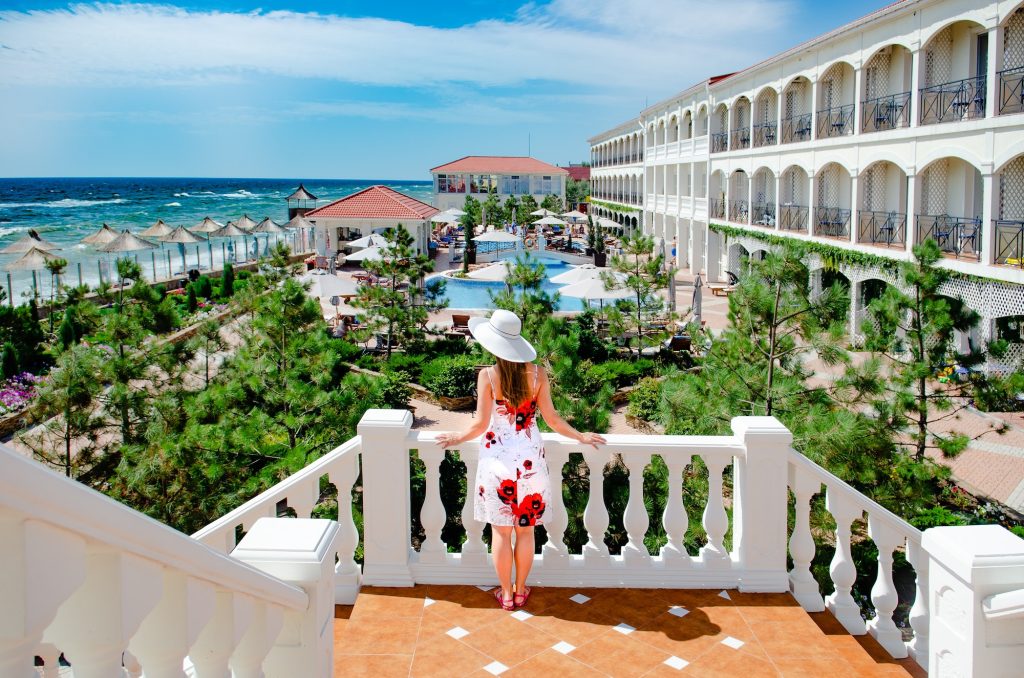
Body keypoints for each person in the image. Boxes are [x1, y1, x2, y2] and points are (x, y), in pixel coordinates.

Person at [436, 310, 605, 611]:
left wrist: (456, 438)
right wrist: (581, 436)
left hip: (497, 463)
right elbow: (552, 419)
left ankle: (505, 593)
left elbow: (480, 424)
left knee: (501, 532)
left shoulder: (488, 377)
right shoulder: (538, 375)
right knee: (525, 531)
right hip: (530, 463)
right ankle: (520, 589)